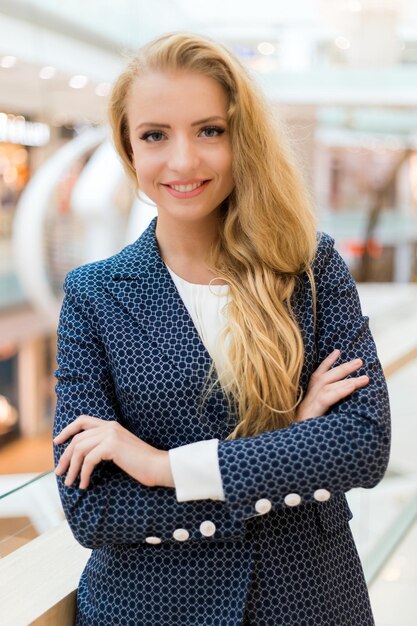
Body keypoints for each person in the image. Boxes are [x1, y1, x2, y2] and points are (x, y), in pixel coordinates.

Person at [52, 32, 391, 626]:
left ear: (242, 140)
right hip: (151, 609)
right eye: (155, 135)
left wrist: (164, 467)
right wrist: (287, 445)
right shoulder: (94, 294)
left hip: (307, 600)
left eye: (210, 130)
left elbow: (362, 443)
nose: (183, 161)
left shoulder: (307, 268)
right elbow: (94, 509)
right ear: (130, 151)